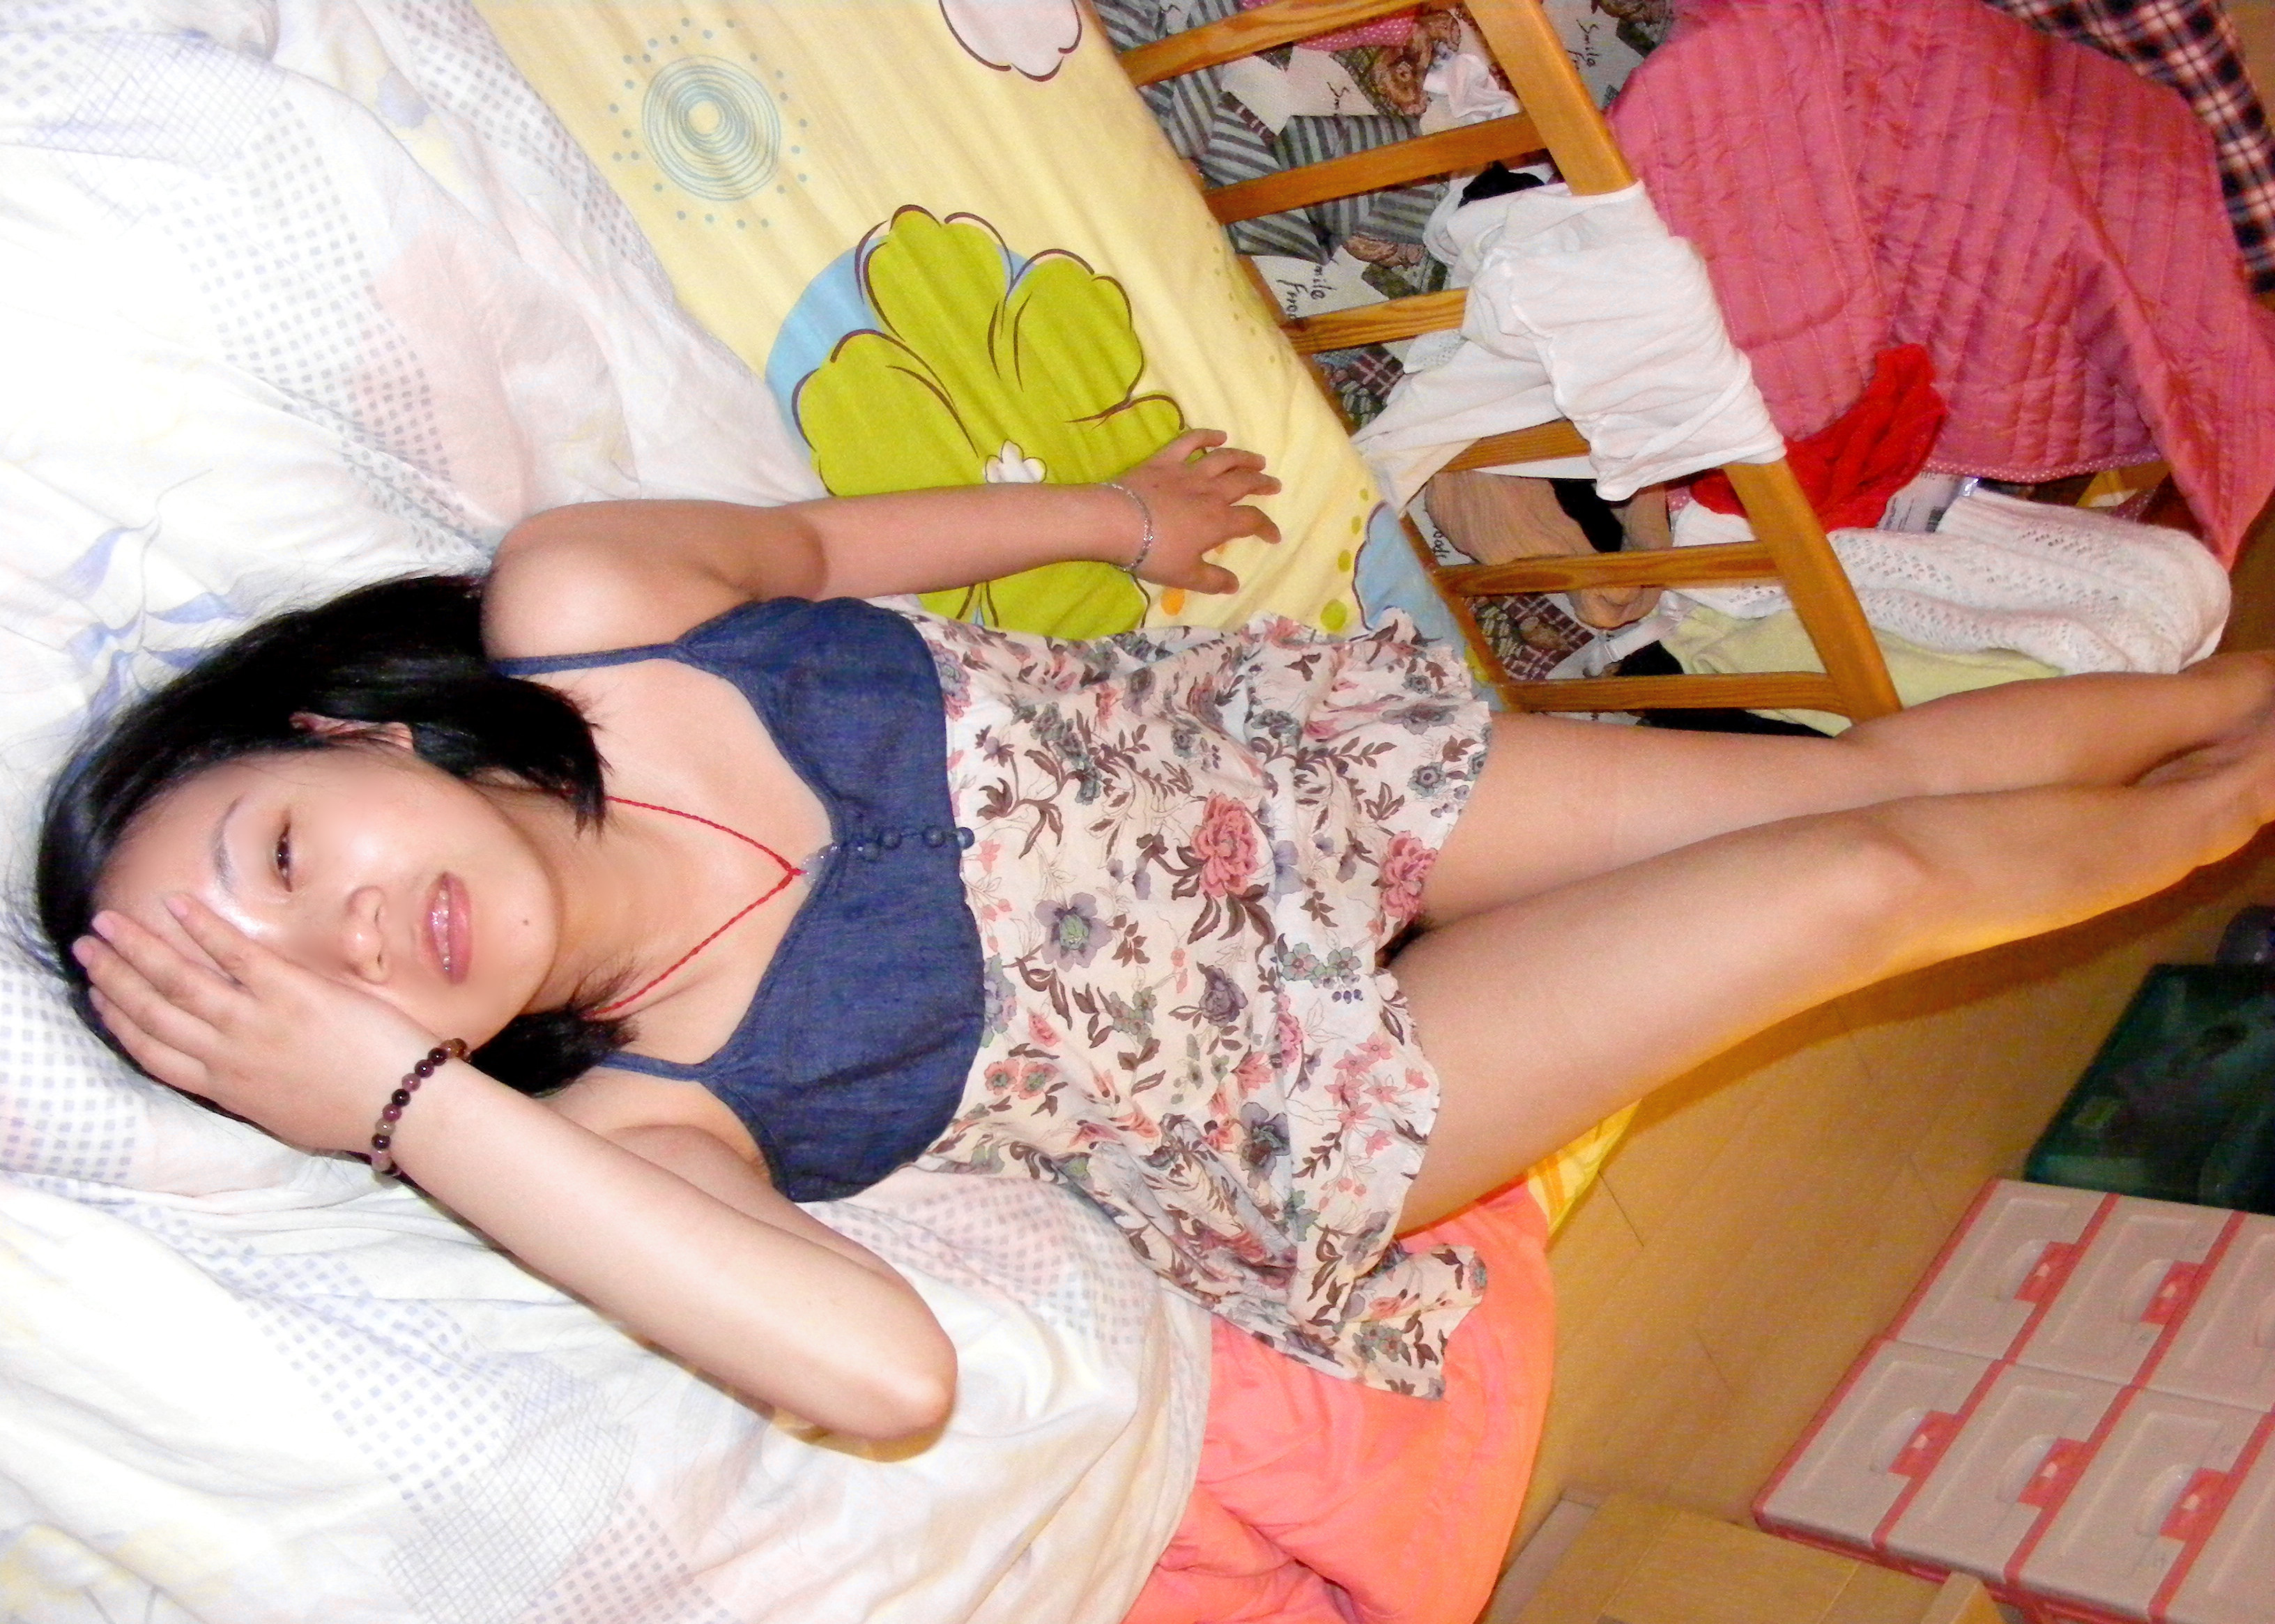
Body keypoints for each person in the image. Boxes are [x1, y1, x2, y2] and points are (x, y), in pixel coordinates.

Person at [36, 430, 2275, 1439]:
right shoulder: (642, 1127)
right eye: (313, 1000)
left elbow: (812, 536)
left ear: (349, 732)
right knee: (1863, 890)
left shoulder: (586, 606)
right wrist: (412, 1110)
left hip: (1288, 784)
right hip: (1306, 1101)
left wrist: (1112, 513)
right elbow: (887, 1380)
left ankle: (2237, 711)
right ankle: (2226, 811)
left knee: (1850, 779)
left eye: (283, 851)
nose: (357, 930)